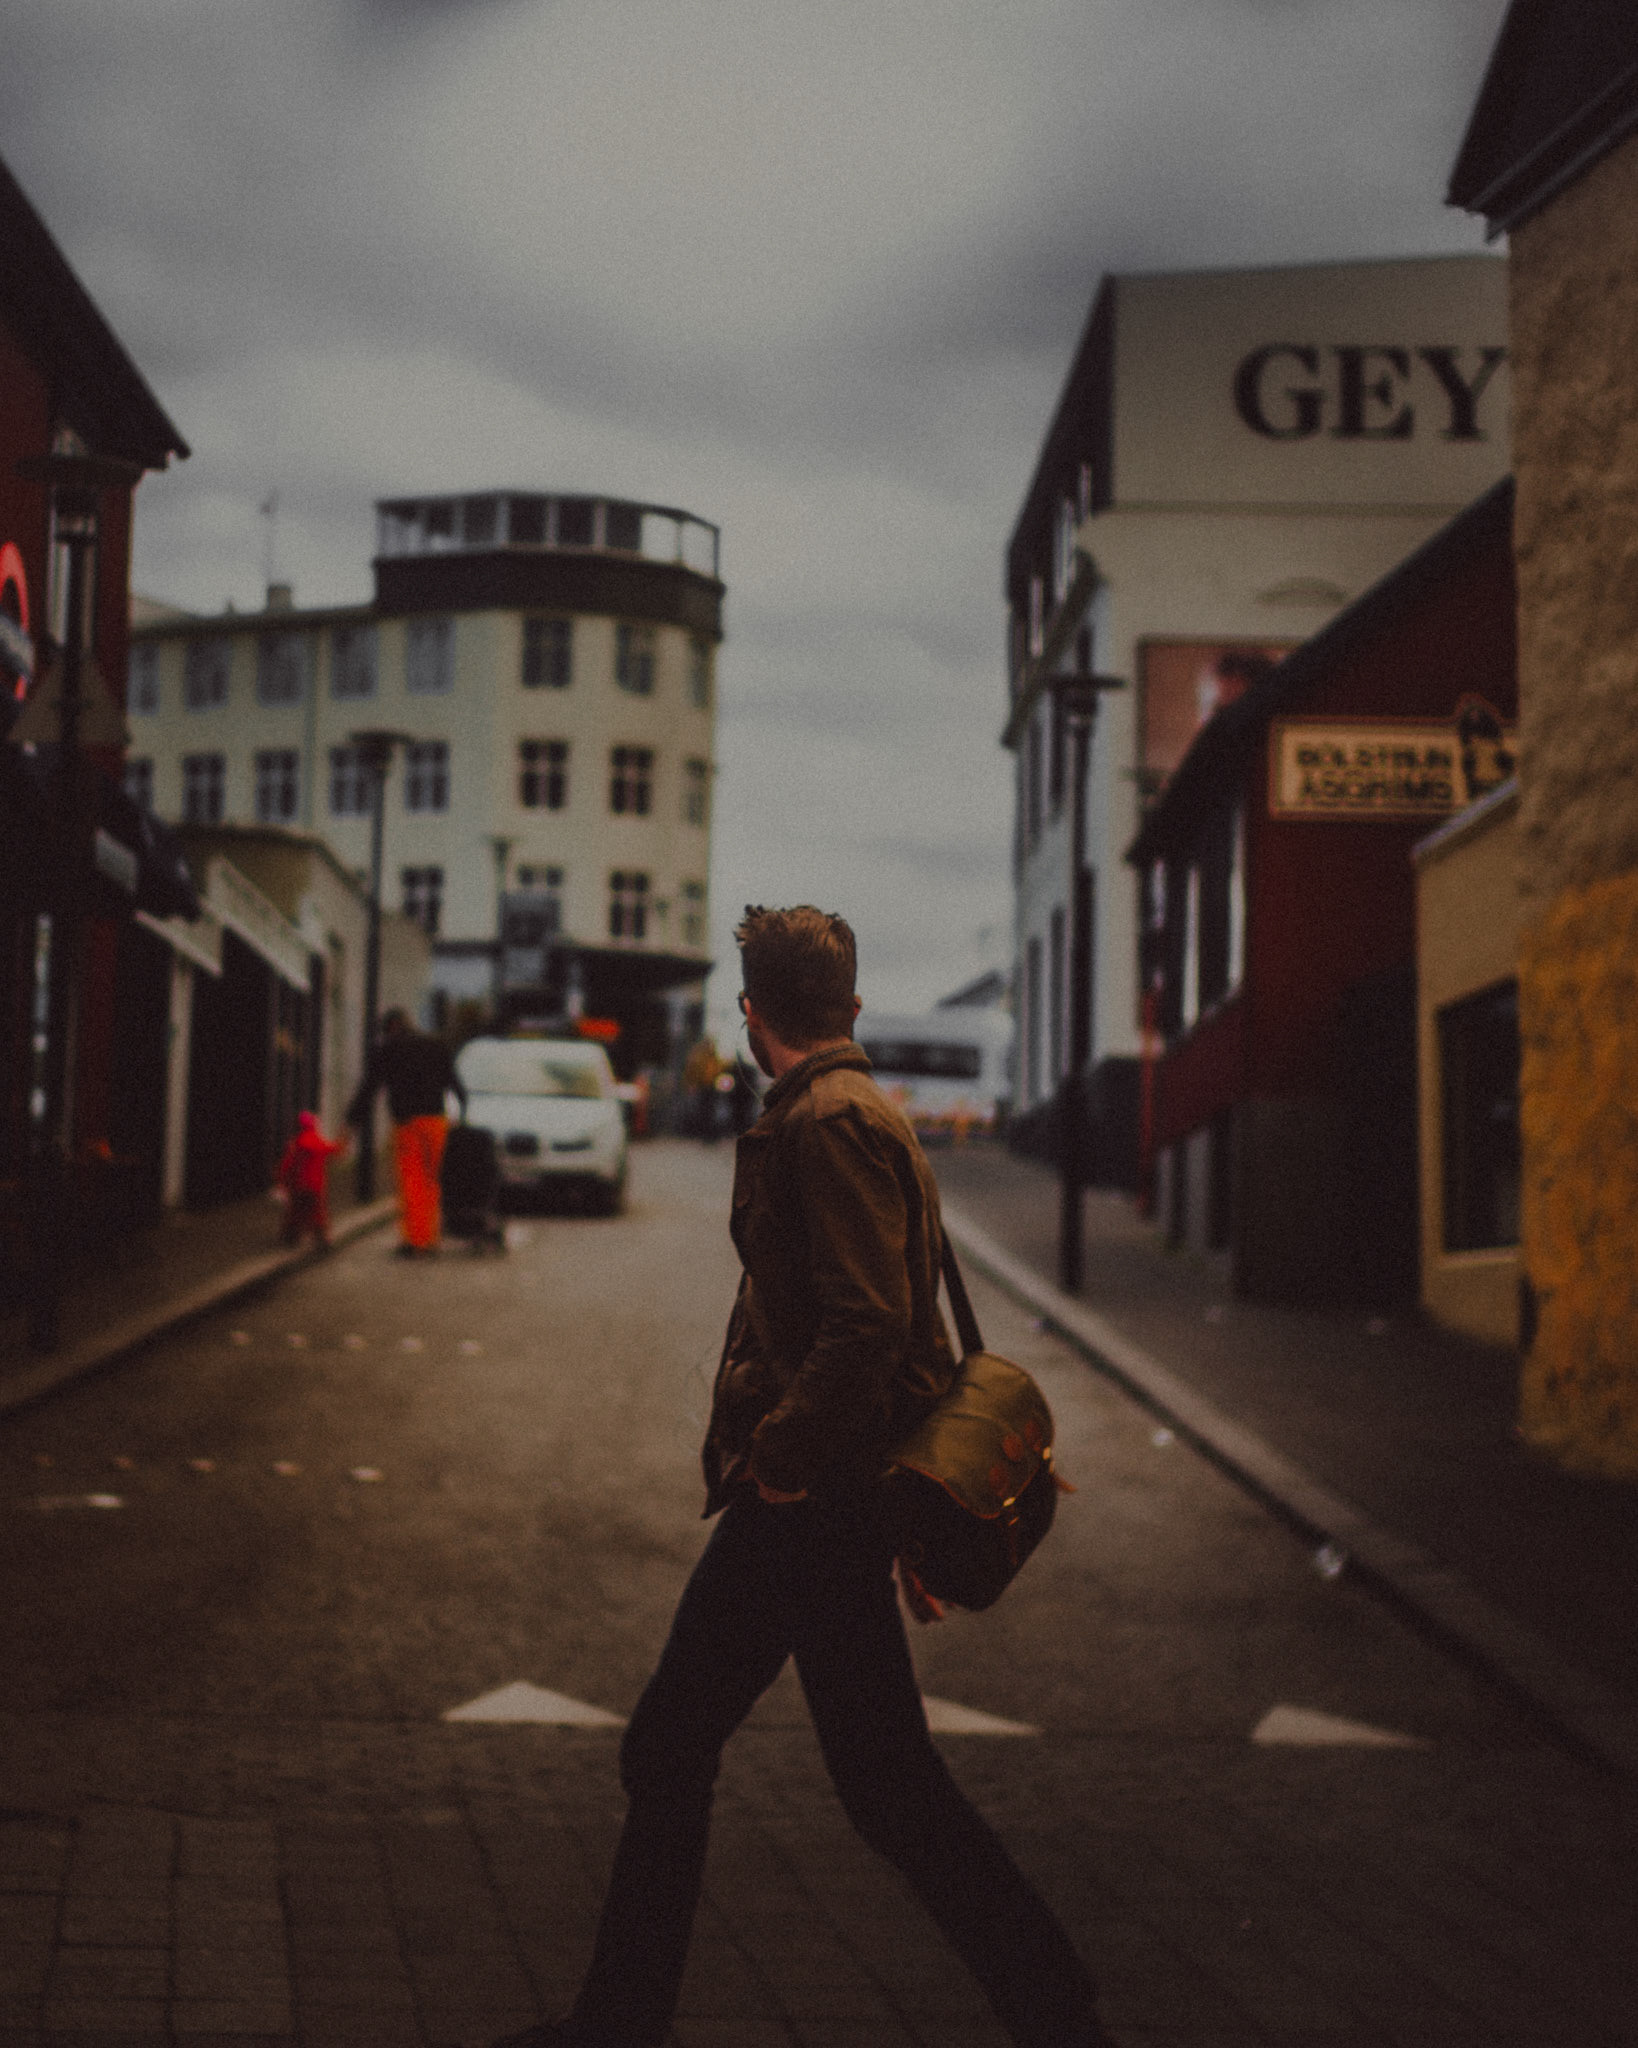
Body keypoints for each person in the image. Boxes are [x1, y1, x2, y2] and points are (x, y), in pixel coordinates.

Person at [496, 906, 1110, 2048]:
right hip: (837, 1493)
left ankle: (619, 2022)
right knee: (886, 1783)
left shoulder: (821, 1123)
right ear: (852, 1007)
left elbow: (869, 1321)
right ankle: (1054, 2004)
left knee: (672, 1746)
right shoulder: (866, 1108)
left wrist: (777, 1458)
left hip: (810, 1499)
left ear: (750, 1013)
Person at [346, 1008, 466, 1257]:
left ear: (390, 1028)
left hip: (407, 1123)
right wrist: (462, 1113)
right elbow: (454, 1082)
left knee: (412, 1182)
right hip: (436, 1121)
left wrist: (351, 1123)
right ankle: (430, 1238)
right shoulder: (437, 1045)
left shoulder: (389, 1049)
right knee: (432, 1181)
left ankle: (415, 1241)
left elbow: (369, 1088)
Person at [275, 1110, 346, 1249]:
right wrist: (342, 1141)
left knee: (295, 1211)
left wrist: (282, 1181)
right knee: (317, 1213)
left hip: (297, 1185)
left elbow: (286, 1165)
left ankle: (291, 1236)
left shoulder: (295, 1144)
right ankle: (322, 1239)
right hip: (315, 1185)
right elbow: (334, 1149)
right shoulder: (317, 1142)